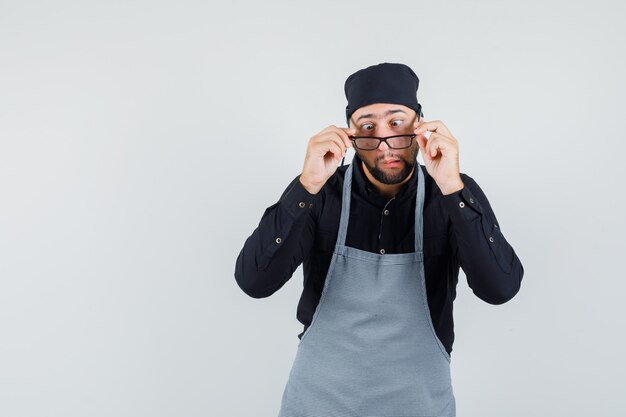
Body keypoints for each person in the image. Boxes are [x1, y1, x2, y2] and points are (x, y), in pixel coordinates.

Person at [234, 62, 523, 416]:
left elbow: (500, 289)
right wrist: (306, 185)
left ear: (420, 124)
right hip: (316, 405)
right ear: (350, 135)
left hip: (420, 407)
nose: (385, 143)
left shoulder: (452, 194)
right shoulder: (320, 193)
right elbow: (254, 282)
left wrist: (452, 188)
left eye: (397, 122)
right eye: (368, 126)